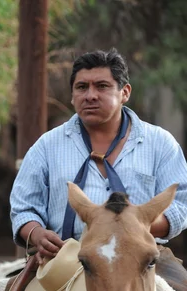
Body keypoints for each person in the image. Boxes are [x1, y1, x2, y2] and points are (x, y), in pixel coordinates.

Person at [10, 48, 187, 262]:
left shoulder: (160, 143)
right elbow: (23, 208)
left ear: (125, 92)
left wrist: (137, 225)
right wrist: (37, 234)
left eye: (102, 86)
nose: (90, 95)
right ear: (73, 96)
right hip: (65, 262)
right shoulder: (46, 146)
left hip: (143, 261)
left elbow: (181, 205)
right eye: (81, 87)